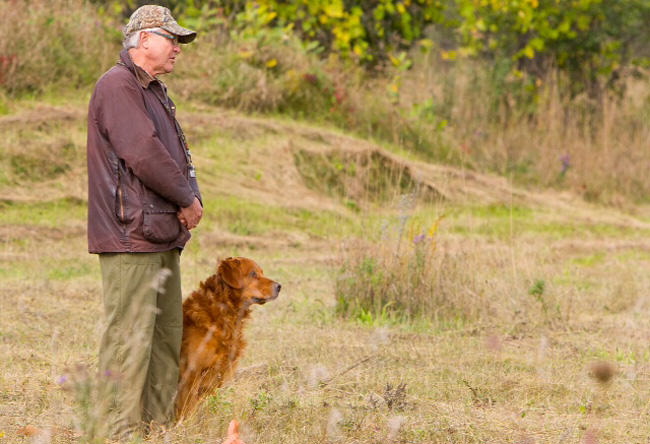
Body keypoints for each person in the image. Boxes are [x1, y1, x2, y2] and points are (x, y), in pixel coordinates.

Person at [86, 4, 203, 439]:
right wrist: (186, 198)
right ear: (144, 41)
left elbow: (176, 155)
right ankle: (115, 433)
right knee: (129, 336)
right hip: (130, 234)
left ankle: (155, 429)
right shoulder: (117, 86)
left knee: (163, 336)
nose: (178, 48)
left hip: (159, 233)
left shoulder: (153, 90)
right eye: (171, 39)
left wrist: (192, 197)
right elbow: (143, 153)